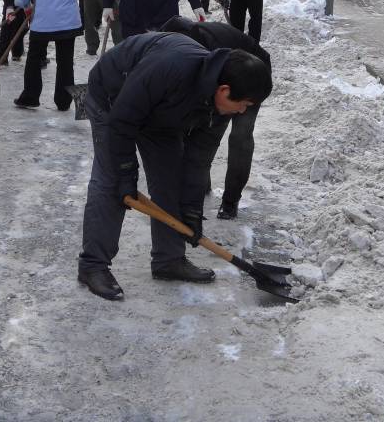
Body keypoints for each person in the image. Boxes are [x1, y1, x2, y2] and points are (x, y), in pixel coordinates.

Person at [77, 32, 272, 300]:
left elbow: (197, 159)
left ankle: (169, 260)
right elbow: (122, 121)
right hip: (113, 100)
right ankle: (92, 266)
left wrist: (191, 209)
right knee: (111, 182)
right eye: (244, 104)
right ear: (224, 90)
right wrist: (125, 174)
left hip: (162, 114)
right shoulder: (170, 67)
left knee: (170, 177)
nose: (242, 111)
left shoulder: (218, 106)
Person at [161, 16, 272, 219]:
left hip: (254, 73)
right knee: (198, 129)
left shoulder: (205, 53)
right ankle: (201, 187)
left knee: (238, 135)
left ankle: (230, 201)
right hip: (227, 76)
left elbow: (207, 131)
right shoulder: (176, 52)